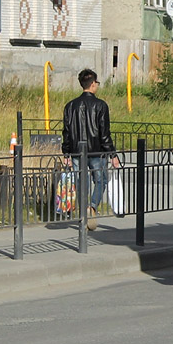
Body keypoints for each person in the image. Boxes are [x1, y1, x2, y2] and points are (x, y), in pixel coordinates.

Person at [62, 68, 119, 231]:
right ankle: (92, 207)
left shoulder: (70, 106)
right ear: (93, 83)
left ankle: (84, 212)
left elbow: (66, 131)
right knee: (101, 181)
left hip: (76, 152)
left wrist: (66, 152)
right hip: (96, 151)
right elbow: (104, 133)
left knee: (80, 182)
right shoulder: (101, 105)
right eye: (97, 83)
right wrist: (112, 154)